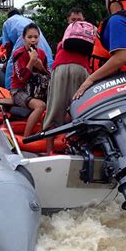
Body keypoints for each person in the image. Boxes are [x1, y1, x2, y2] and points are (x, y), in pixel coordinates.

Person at [43, 9, 93, 154]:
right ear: (68, 20)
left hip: (61, 68)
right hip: (81, 70)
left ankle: (49, 151)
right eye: (73, 20)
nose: (76, 22)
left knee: (53, 109)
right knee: (79, 110)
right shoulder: (89, 34)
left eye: (78, 20)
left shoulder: (64, 39)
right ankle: (75, 149)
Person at [11, 23, 49, 138]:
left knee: (53, 104)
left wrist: (41, 67)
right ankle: (26, 138)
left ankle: (41, 134)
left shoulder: (42, 54)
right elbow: (20, 78)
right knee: (40, 106)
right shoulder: (18, 54)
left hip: (36, 90)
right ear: (24, 38)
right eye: (30, 37)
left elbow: (48, 75)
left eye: (36, 37)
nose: (33, 40)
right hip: (19, 90)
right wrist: (32, 61)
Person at [2, 8, 53, 89]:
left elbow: (8, 45)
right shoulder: (28, 20)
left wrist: (8, 61)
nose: (33, 40)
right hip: (43, 44)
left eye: (35, 38)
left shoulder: (7, 22)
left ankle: (10, 89)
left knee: (11, 68)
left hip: (23, 41)